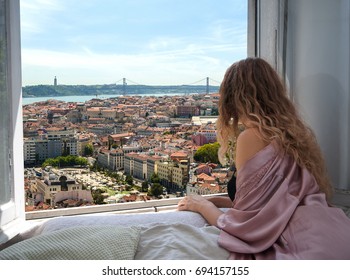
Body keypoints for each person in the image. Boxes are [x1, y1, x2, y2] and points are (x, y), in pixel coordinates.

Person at [178, 57, 350, 259]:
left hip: (301, 244)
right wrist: (216, 201)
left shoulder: (251, 137)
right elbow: (271, 202)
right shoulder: (295, 133)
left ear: (232, 97)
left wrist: (201, 206)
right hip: (331, 230)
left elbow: (247, 225)